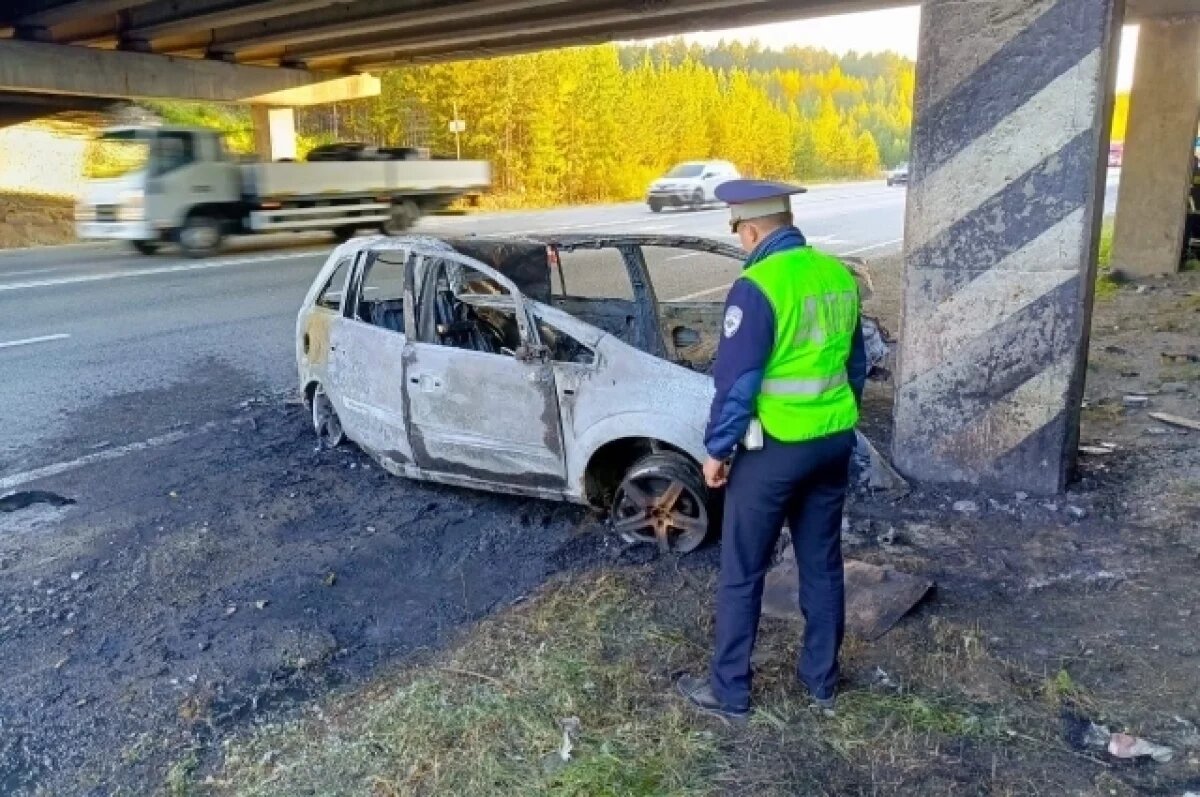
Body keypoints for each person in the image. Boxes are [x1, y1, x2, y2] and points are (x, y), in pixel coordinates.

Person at [676, 179, 868, 722]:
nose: (741, 243)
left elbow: (737, 384)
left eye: (739, 232)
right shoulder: (837, 276)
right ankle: (821, 682)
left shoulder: (758, 286)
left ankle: (730, 692)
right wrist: (833, 419)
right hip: (832, 444)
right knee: (822, 564)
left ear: (753, 229)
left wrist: (716, 450)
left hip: (776, 450)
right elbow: (856, 366)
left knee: (743, 569)